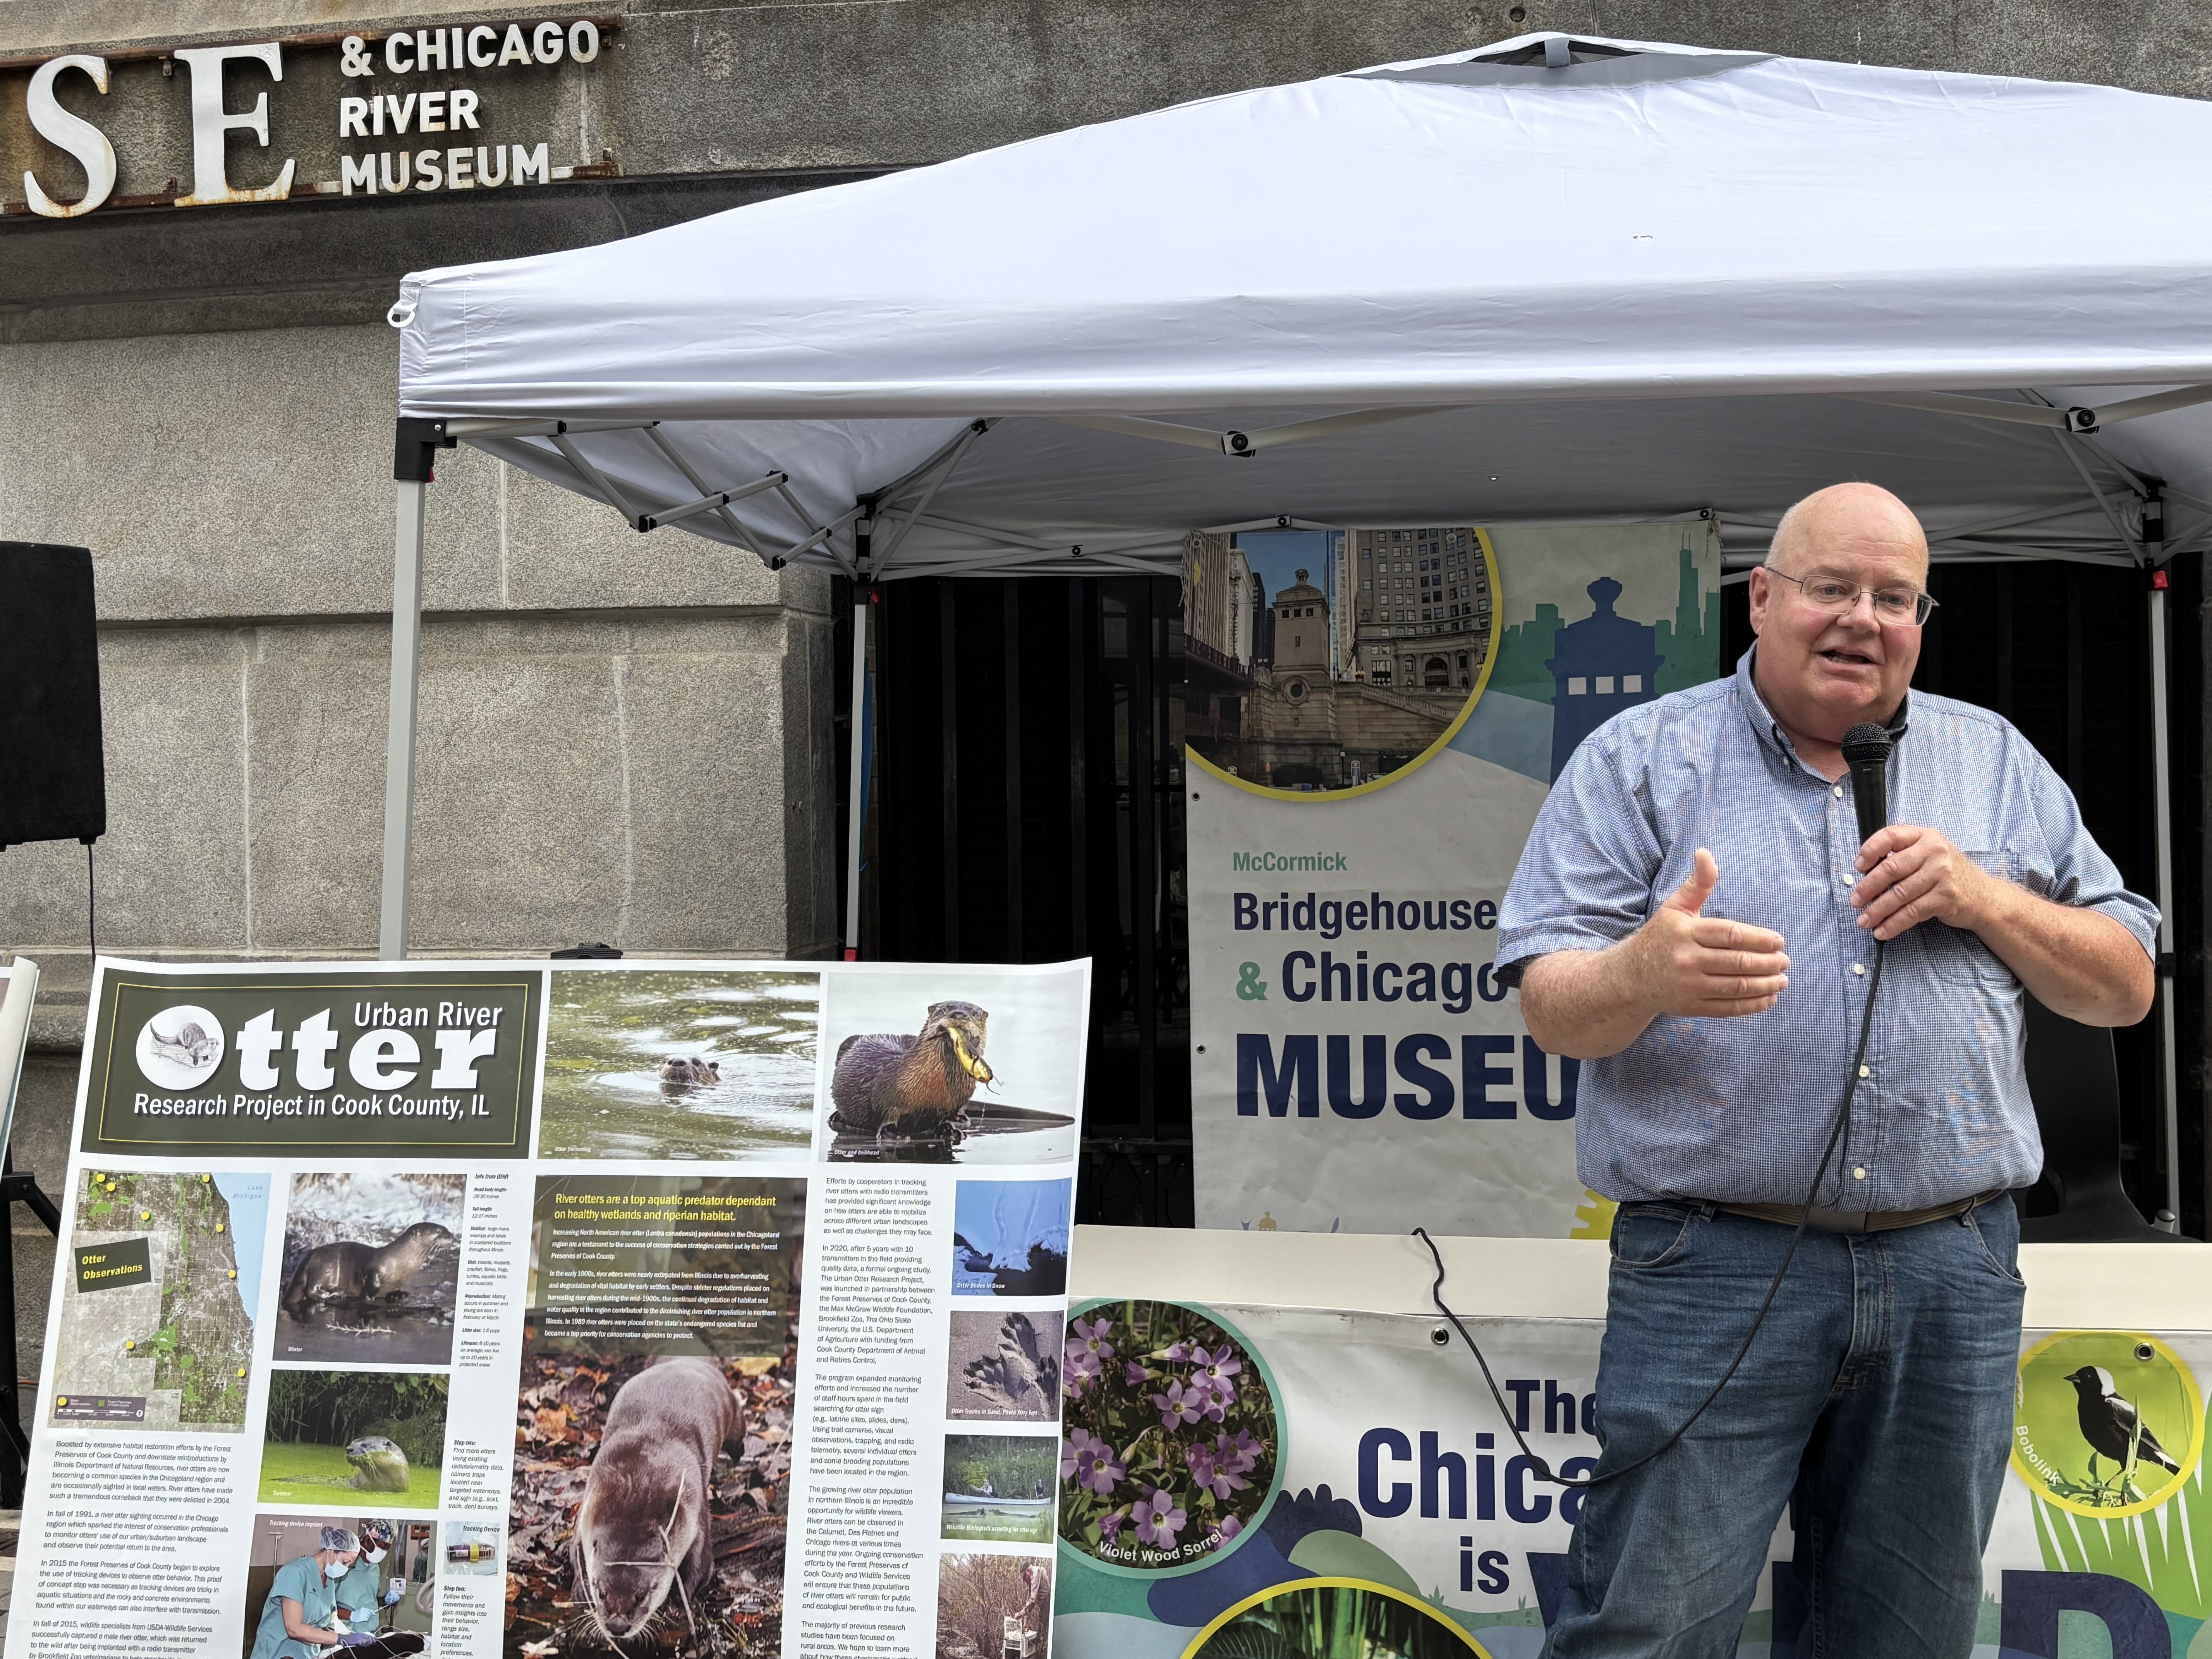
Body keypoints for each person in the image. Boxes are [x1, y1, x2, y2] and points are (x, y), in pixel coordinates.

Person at [1495, 483, 2157, 1658]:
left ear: (1920, 622)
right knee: (1649, 1628)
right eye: (1831, 588)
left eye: (1894, 598)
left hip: (1951, 1269)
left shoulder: (1993, 761)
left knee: (1909, 1635)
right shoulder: (1640, 759)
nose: (1862, 618)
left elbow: (2122, 987)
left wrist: (1985, 897)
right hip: (1713, 1263)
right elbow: (1552, 1010)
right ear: (1760, 598)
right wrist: (1642, 971)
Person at [249, 1527, 370, 1658]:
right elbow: (294, 1629)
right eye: (345, 1562)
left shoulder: (329, 1579)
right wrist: (340, 1638)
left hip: (308, 1654)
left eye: (350, 1566)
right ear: (331, 1551)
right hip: (277, 1653)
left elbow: (329, 1620)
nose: (345, 1569)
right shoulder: (295, 1572)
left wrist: (351, 1635)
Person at [335, 1522, 404, 1631]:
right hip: (344, 1631)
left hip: (370, 1631)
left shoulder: (375, 1568)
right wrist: (352, 1616)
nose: (384, 1552)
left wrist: (385, 1600)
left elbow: (370, 1600)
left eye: (387, 1548)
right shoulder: (344, 1564)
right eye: (382, 1547)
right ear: (367, 1540)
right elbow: (326, 1607)